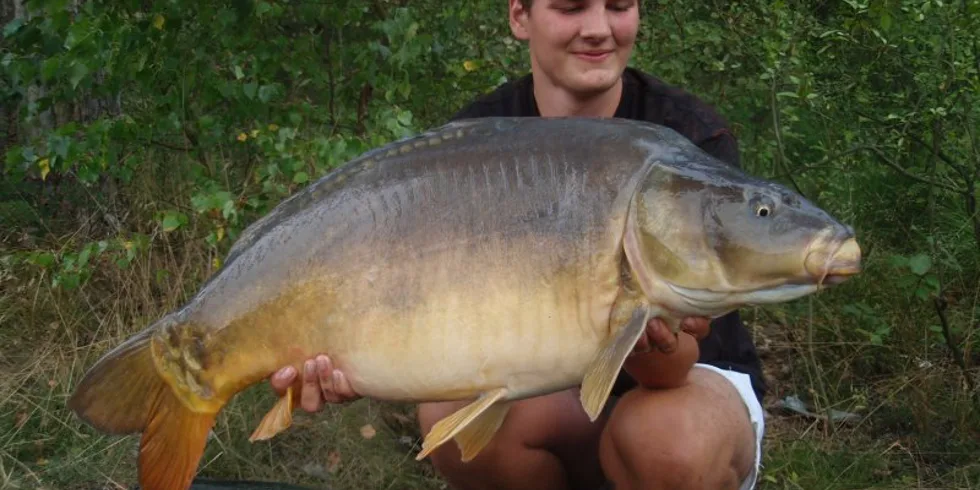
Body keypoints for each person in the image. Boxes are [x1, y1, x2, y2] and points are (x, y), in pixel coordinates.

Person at [269, 1, 766, 489]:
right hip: (549, 400)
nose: (598, 28)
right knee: (451, 416)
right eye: (571, 8)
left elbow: (675, 369)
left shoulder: (688, 139)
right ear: (520, 16)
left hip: (680, 392)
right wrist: (351, 360)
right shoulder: (473, 141)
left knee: (663, 443)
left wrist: (645, 333)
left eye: (619, 6)